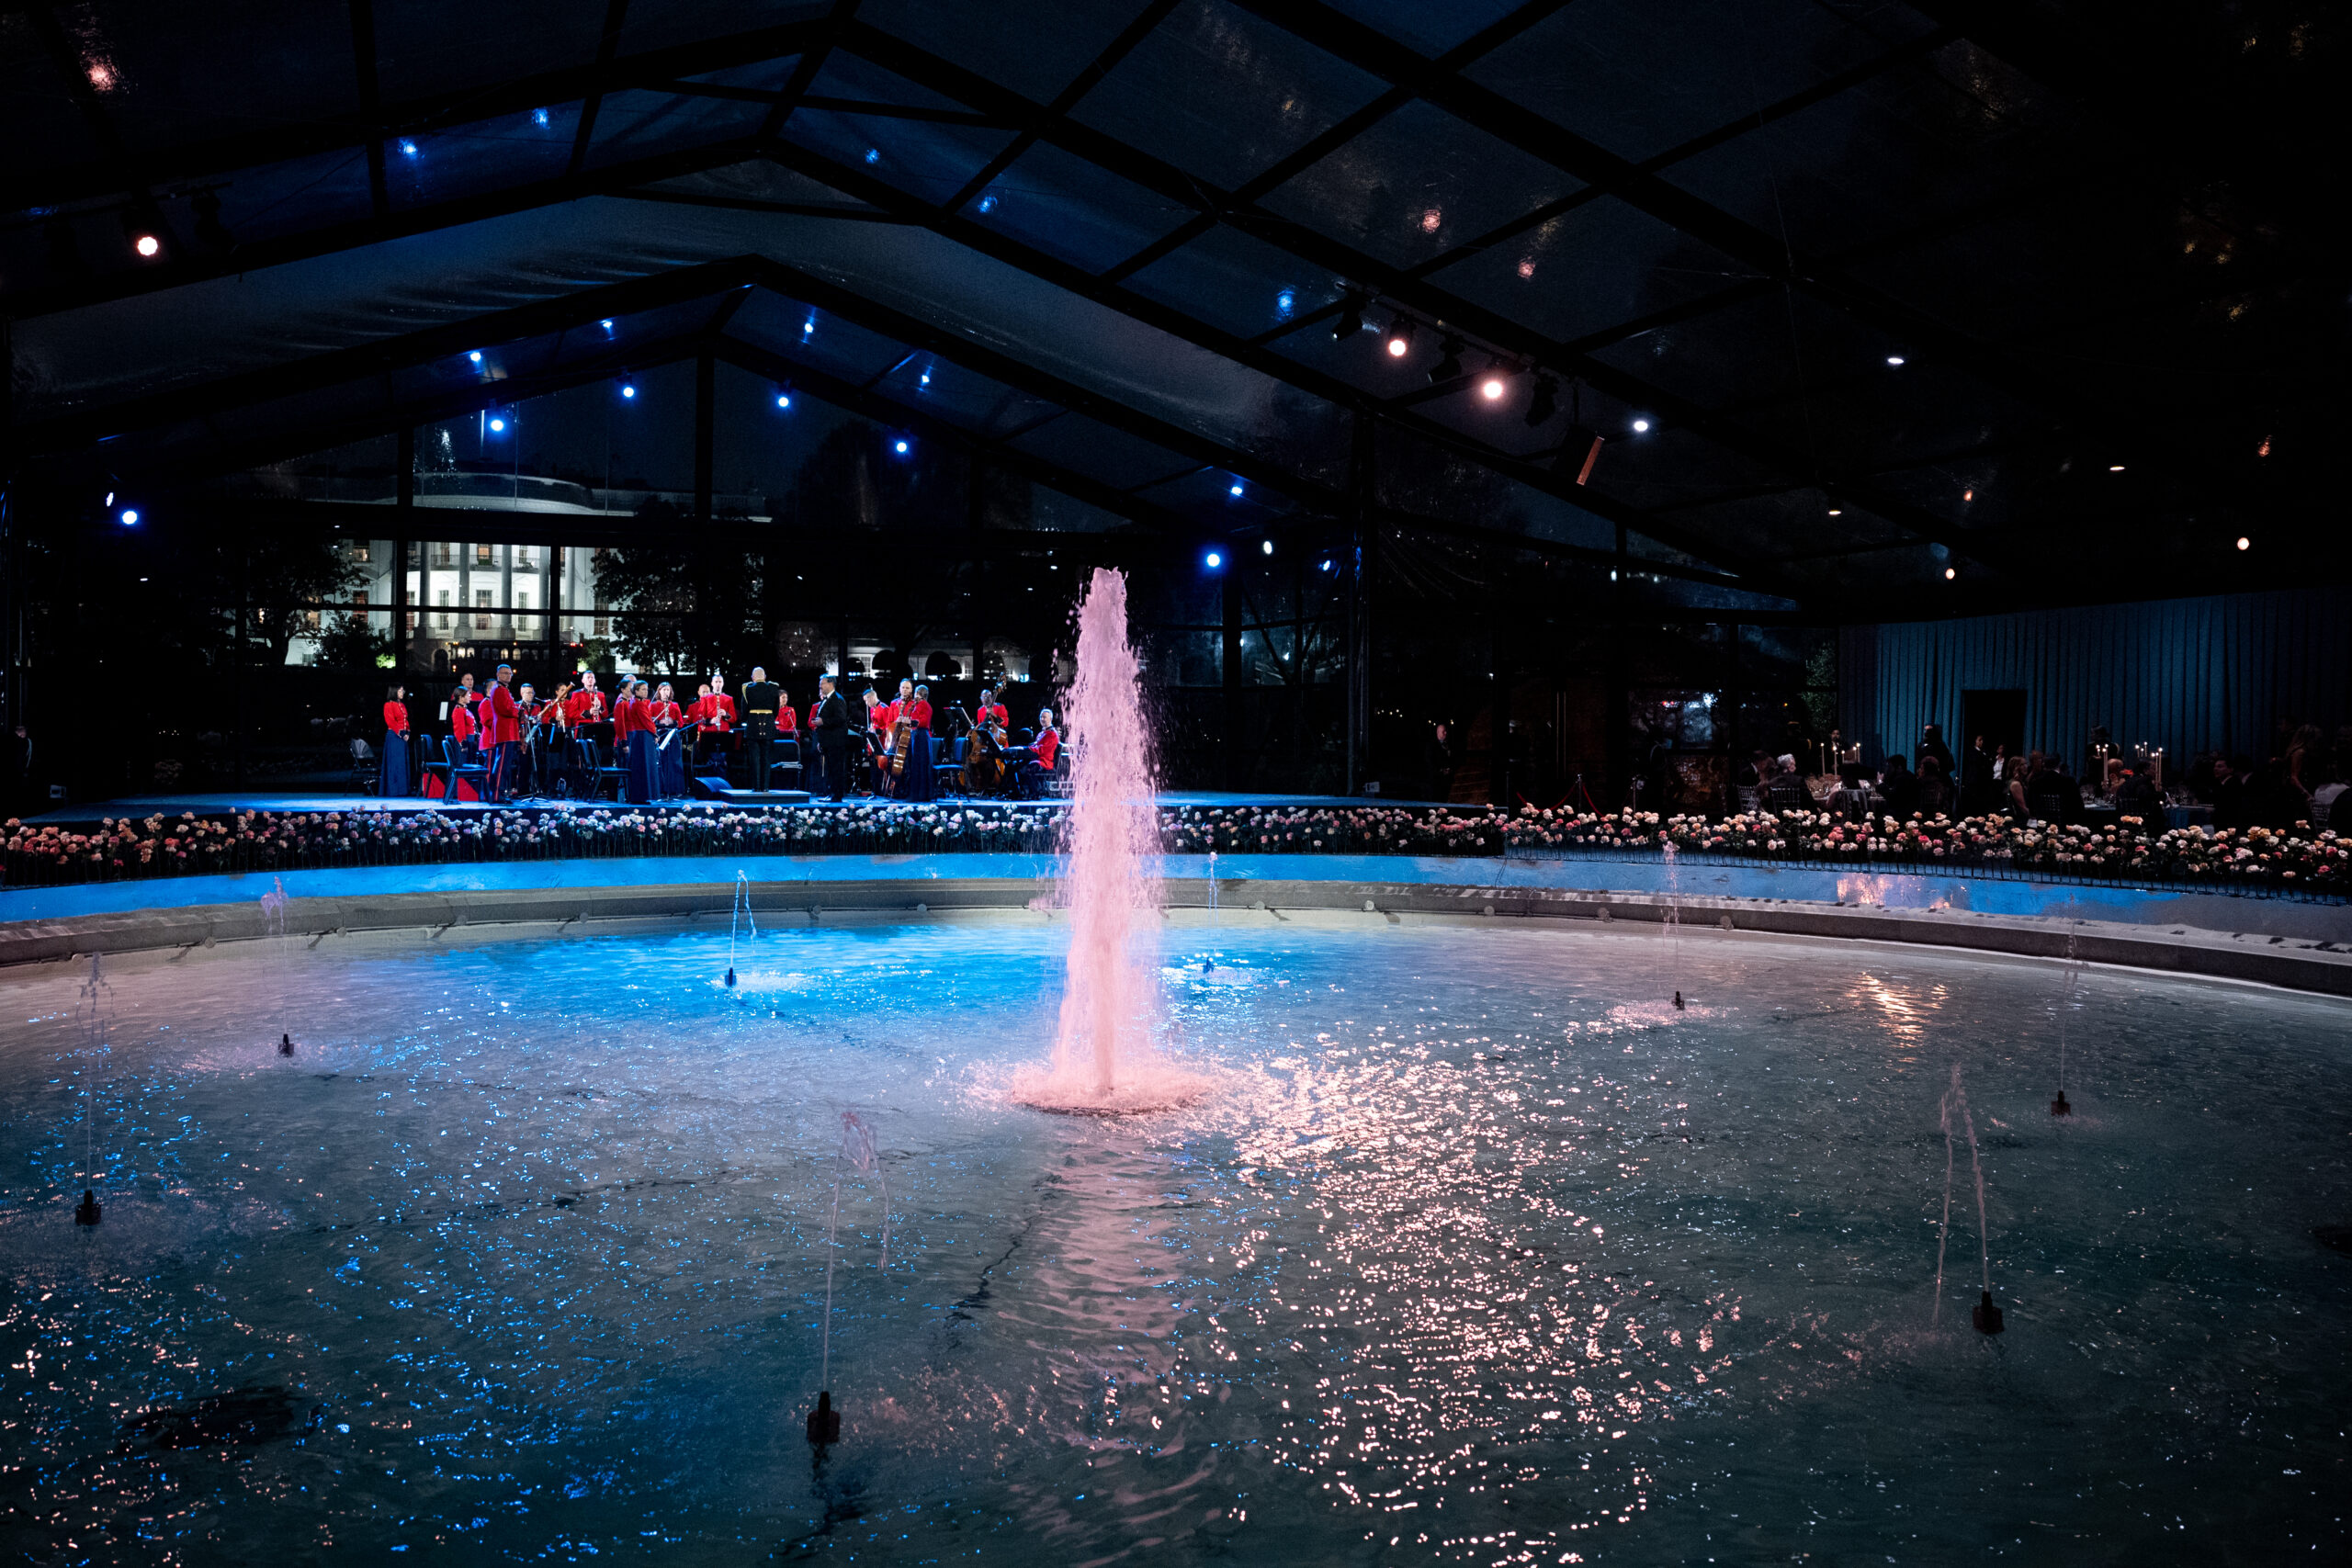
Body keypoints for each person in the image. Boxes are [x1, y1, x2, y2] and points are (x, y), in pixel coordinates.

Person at [480, 664, 523, 803]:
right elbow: (505, 709)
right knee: (501, 765)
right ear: (498, 675)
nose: (508, 676)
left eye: (510, 673)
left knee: (503, 765)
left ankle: (499, 793)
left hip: (508, 731)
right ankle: (497, 795)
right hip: (504, 731)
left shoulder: (503, 689)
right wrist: (518, 711)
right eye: (505, 673)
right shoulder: (498, 689)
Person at [740, 666, 782, 792]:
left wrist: (745, 719)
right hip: (768, 724)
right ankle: (765, 787)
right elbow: (776, 709)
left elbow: (744, 711)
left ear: (753, 678)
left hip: (753, 725)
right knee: (767, 758)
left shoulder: (746, 689)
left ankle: (756, 787)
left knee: (755, 758)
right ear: (765, 677)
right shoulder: (774, 687)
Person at [810, 674, 851, 801]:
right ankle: (831, 793)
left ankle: (836, 795)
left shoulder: (837, 699)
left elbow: (840, 718)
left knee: (836, 768)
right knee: (830, 768)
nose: (820, 686)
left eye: (822, 683)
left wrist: (823, 722)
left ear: (830, 684)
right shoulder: (826, 699)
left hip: (836, 741)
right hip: (827, 741)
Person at [650, 681, 687, 799]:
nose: (666, 692)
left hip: (672, 735)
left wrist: (672, 721)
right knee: (661, 762)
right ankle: (661, 788)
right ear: (659, 691)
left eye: (668, 690)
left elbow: (681, 722)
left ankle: (675, 789)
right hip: (659, 735)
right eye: (663, 690)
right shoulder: (653, 705)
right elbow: (649, 721)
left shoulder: (674, 705)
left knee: (674, 762)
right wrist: (659, 722)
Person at [379, 684, 411, 797]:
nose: (402, 692)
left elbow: (405, 721)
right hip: (394, 736)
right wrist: (402, 733)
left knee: (402, 764)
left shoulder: (402, 705)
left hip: (402, 736)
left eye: (403, 690)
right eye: (400, 691)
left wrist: (407, 732)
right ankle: (393, 790)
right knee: (395, 764)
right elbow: (391, 721)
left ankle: (402, 790)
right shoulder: (388, 705)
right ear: (394, 692)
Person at [1879, 753, 1919, 818]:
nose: (1888, 770)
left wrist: (1880, 782)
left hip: (1902, 814)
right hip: (1908, 812)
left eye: (1890, 767)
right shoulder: (1908, 775)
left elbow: (1891, 797)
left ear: (1899, 767)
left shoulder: (1902, 779)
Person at [1916, 753, 1956, 818]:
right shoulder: (1943, 783)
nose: (1919, 770)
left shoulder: (1919, 783)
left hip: (1921, 819)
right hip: (1941, 819)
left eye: (1921, 768)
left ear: (1925, 770)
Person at [449, 685, 480, 764]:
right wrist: (463, 745)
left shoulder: (465, 710)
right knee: (463, 765)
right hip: (464, 744)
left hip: (470, 741)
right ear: (461, 697)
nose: (470, 697)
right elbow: (459, 729)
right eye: (468, 695)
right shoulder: (458, 711)